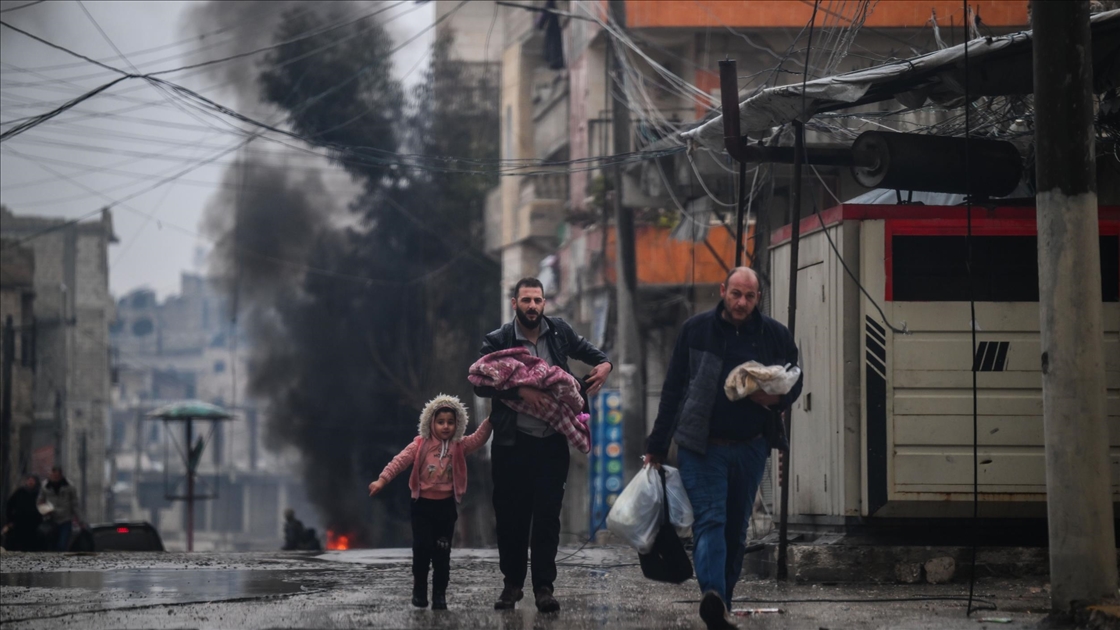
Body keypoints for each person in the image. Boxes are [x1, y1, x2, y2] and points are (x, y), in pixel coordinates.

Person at [644, 267, 802, 630]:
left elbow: (795, 375)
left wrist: (776, 398)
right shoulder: (696, 330)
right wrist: (657, 444)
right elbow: (672, 389)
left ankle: (721, 605)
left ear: (758, 297)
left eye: (749, 296)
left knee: (735, 530)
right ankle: (712, 593)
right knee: (711, 520)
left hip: (750, 447)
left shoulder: (773, 334)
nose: (741, 302)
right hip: (701, 447)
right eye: (735, 294)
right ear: (723, 291)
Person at [474, 277, 612, 613]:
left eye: (537, 300)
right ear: (515, 304)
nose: (532, 306)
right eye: (526, 300)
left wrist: (605, 365)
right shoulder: (497, 341)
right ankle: (512, 586)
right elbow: (480, 384)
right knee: (511, 518)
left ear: (544, 303)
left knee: (548, 517)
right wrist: (520, 391)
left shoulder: (559, 332)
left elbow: (591, 352)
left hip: (552, 443)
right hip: (511, 443)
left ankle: (544, 588)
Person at [369, 395, 492, 611]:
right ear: (430, 422)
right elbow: (399, 460)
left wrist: (492, 418)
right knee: (422, 549)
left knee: (442, 553)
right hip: (422, 506)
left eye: (450, 422)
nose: (445, 426)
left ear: (457, 424)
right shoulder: (420, 445)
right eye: (441, 421)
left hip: (446, 508)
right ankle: (420, 589)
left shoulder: (459, 446)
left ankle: (439, 595)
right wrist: (382, 480)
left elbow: (479, 438)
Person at [38, 466, 81, 552]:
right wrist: (45, 509)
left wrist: (79, 519)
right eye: (53, 475)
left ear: (60, 475)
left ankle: (61, 560)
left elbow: (74, 503)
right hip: (51, 519)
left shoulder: (69, 487)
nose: (54, 477)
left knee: (62, 544)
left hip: (66, 519)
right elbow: (40, 501)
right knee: (52, 543)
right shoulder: (45, 486)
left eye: (56, 475)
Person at [3, 475, 43, 551]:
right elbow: (10, 505)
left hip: (34, 521)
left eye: (32, 480)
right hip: (20, 521)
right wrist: (10, 519)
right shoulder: (20, 492)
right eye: (29, 480)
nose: (30, 482)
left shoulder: (39, 493)